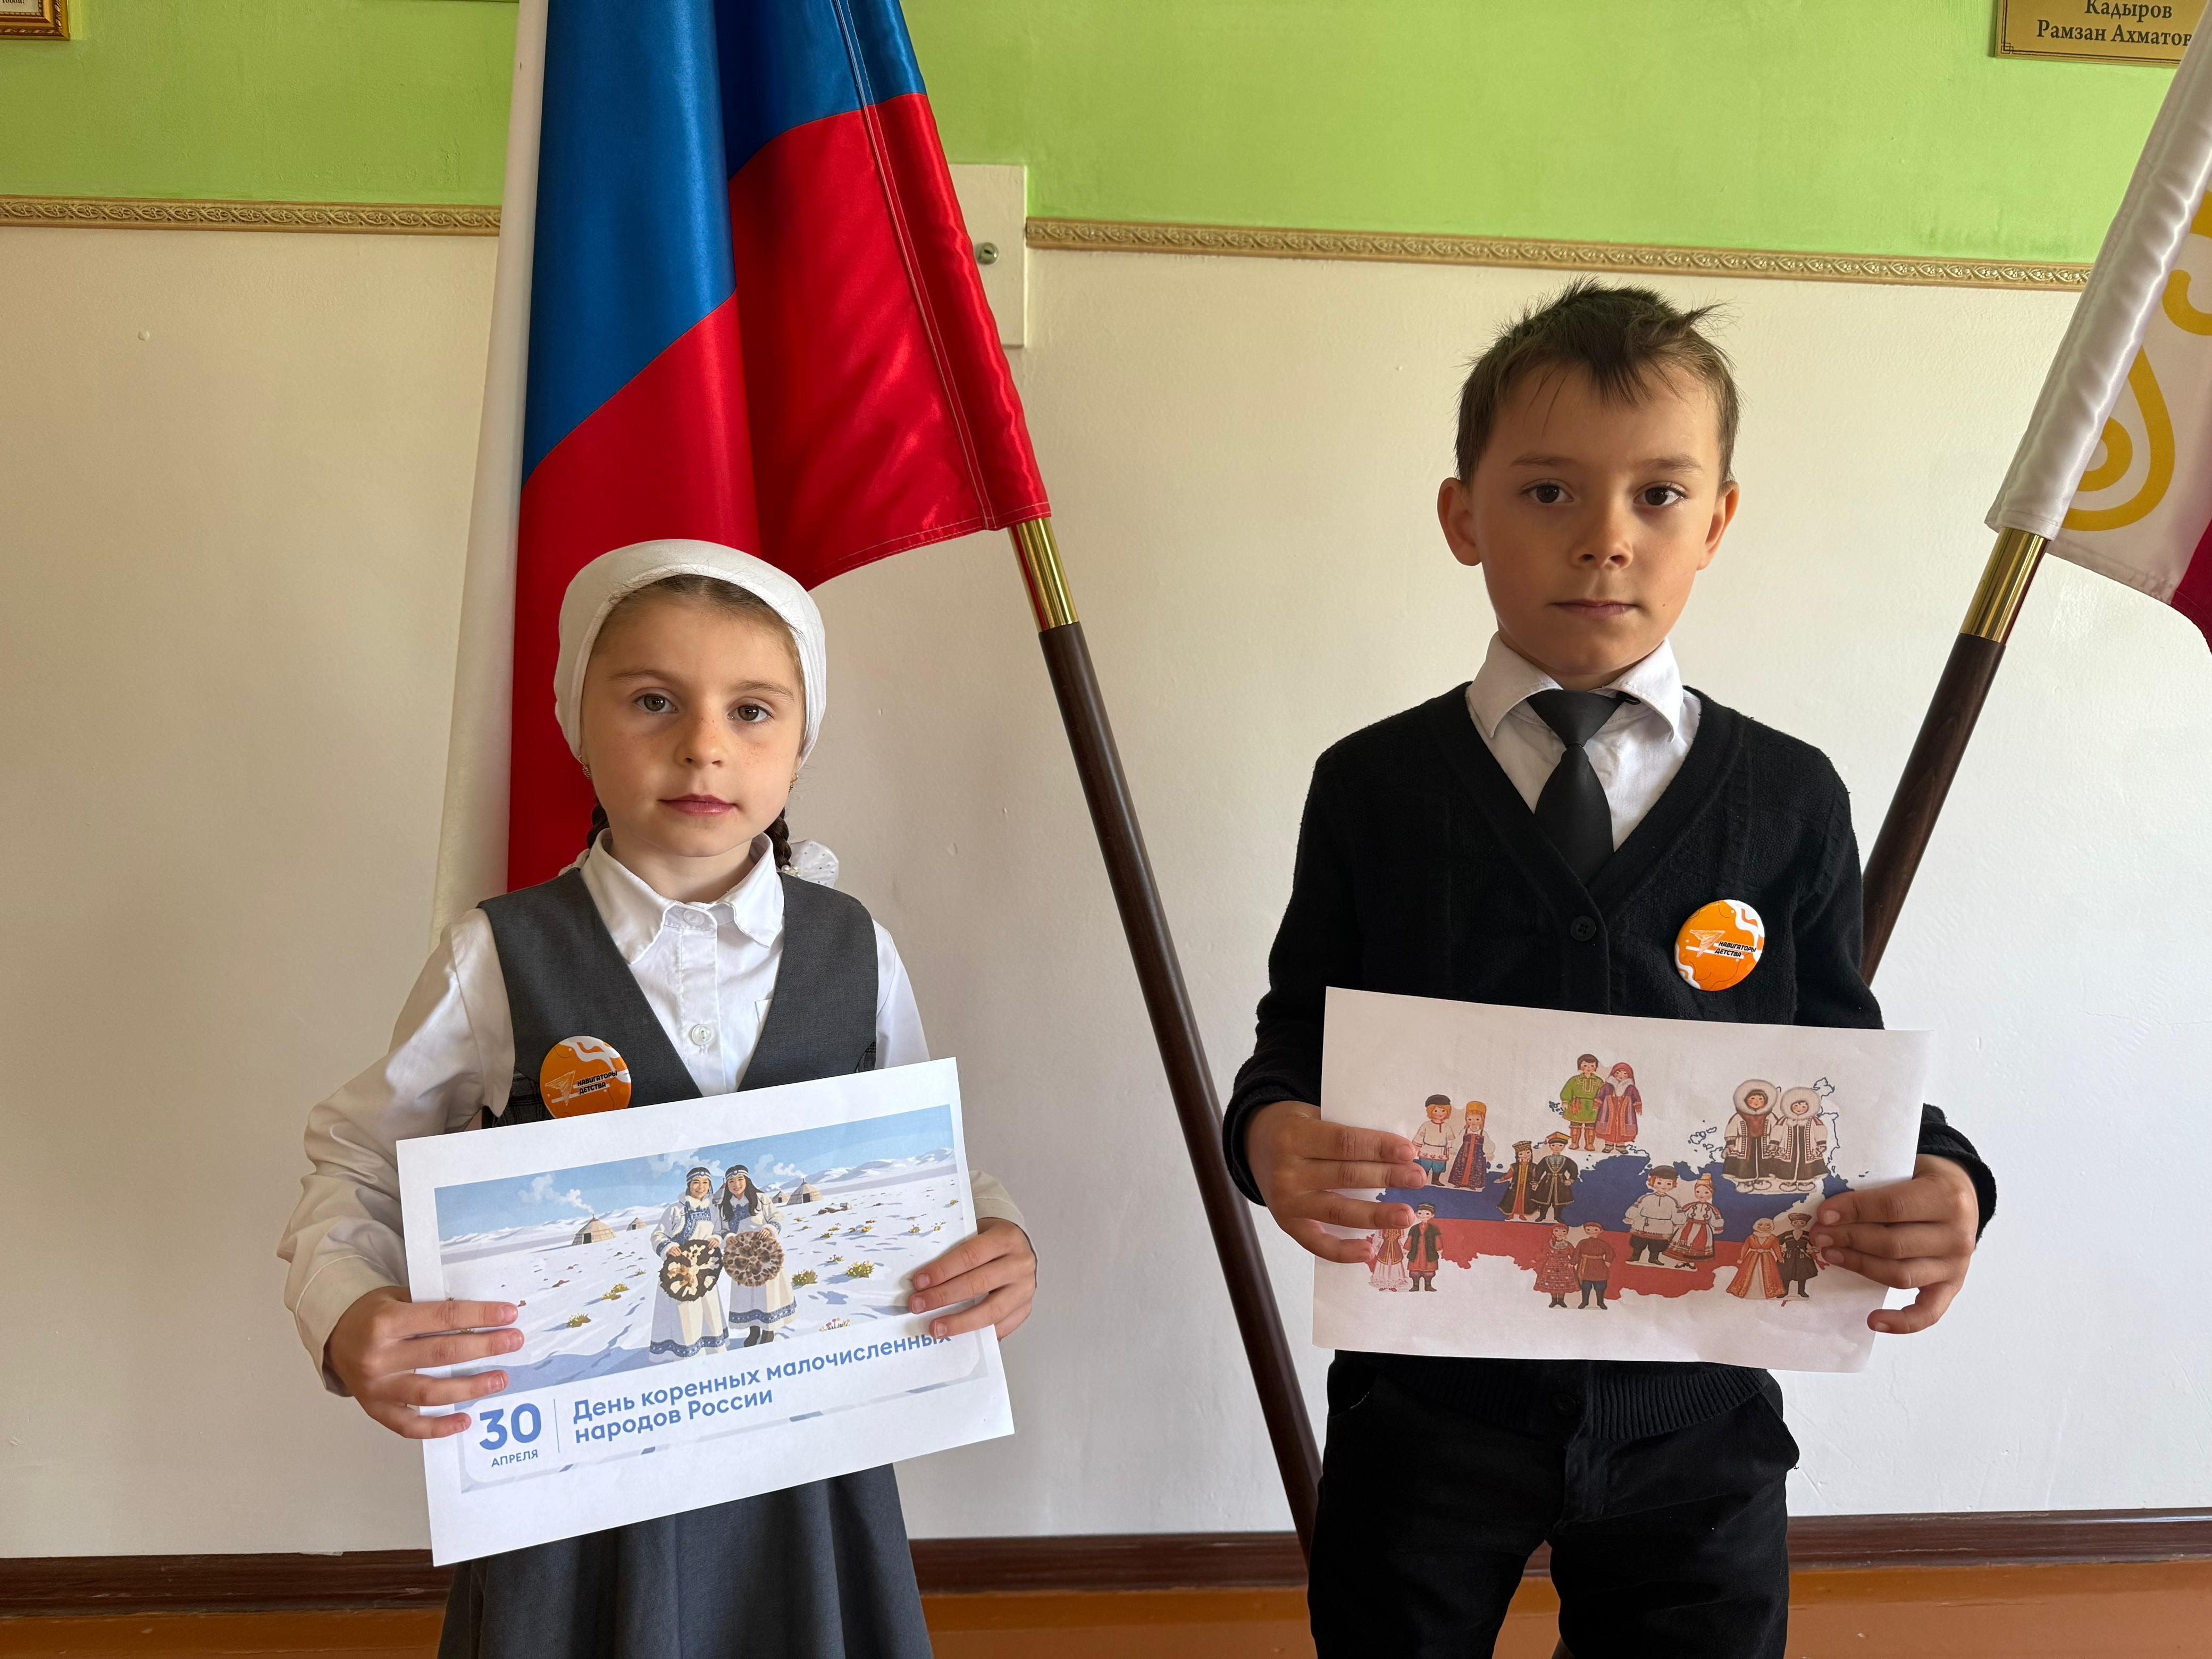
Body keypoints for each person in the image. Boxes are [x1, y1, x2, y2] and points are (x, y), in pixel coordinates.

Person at [1221, 284, 1997, 1656]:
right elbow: (1295, 1039)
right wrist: (1268, 1134)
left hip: (1698, 1413)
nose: (1604, 537)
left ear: (1719, 521)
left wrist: (1949, 1176)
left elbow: (1832, 1058)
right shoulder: (1372, 787)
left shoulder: (1788, 798)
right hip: (1425, 1400)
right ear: (1462, 516)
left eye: (1658, 494)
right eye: (1546, 491)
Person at [277, 541, 1041, 1659]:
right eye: (652, 701)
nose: (703, 746)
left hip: (806, 1479)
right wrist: (347, 1311)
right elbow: (356, 1162)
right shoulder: (497, 957)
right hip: (577, 1502)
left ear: (801, 745)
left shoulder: (856, 950)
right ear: (577, 726)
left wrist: (996, 1235)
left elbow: (922, 1157)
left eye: (752, 711)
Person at [649, 1167, 729, 1360]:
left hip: (704, 1272)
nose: (701, 1187)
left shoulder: (713, 1210)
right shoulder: (675, 1209)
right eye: (696, 1183)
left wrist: (716, 1239)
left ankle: (711, 1353)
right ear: (689, 1185)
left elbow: (719, 1231)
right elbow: (658, 1235)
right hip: (679, 1274)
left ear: (710, 1186)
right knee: (684, 1314)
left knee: (708, 1312)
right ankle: (687, 1356)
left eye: (705, 1183)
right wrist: (669, 1247)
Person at [716, 1164, 794, 1347]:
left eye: (740, 1180)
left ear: (747, 1180)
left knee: (766, 1294)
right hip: (742, 1259)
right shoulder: (725, 1207)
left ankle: (768, 1330)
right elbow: (722, 1230)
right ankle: (754, 1331)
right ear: (727, 1185)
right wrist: (728, 1238)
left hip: (764, 1255)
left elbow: (777, 1217)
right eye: (731, 1181)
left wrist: (769, 1229)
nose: (736, 1185)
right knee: (747, 1297)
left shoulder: (760, 1199)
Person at [1723, 1079, 1780, 1184]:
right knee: (1745, 1164)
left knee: (1764, 1162)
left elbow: (1777, 1129)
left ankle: (1762, 1180)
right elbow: (1732, 1129)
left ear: (1766, 1101)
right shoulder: (1739, 1116)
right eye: (1753, 1098)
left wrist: (1775, 1142)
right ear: (1746, 1100)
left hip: (1764, 1143)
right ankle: (1746, 1181)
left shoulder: (1770, 1116)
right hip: (1745, 1144)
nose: (1756, 1101)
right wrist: (1731, 1143)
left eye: (1760, 1099)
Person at [1622, 1164, 1681, 1264]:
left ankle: (1654, 1258)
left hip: (1662, 1227)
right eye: (1659, 1183)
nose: (1664, 1186)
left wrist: (1680, 1222)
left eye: (1669, 1183)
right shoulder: (1646, 1198)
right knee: (1639, 1242)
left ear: (1674, 1184)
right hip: (1644, 1224)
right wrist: (1630, 1217)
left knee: (1658, 1244)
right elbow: (1637, 1208)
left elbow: (1677, 1213)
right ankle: (1635, 1256)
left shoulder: (1672, 1201)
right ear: (1652, 1182)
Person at [1772, 1088, 1831, 1185]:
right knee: (1787, 1164)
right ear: (1789, 1106)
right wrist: (1774, 1143)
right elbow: (1777, 1131)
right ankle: (1788, 1181)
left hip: (1807, 1149)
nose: (1799, 1109)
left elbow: (1820, 1131)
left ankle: (1805, 1181)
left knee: (1806, 1165)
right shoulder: (1785, 1120)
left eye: (1804, 1106)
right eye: (1796, 1106)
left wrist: (1821, 1144)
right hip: (1789, 1149)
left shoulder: (1813, 1121)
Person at [1663, 1173, 1724, 1268]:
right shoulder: (1691, 1206)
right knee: (1683, 1243)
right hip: (1687, 1227)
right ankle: (1682, 1260)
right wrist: (1678, 1222)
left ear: (1712, 1193)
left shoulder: (1712, 1209)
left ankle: (1692, 1261)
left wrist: (1718, 1227)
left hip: (1703, 1229)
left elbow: (1716, 1219)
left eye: (1706, 1192)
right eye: (1698, 1192)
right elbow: (1682, 1215)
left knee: (1697, 1245)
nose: (1702, 1195)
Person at [1726, 1217, 1787, 1301]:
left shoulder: (1773, 1238)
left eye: (1767, 1225)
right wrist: (1741, 1258)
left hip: (1767, 1258)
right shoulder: (1751, 1237)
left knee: (1768, 1274)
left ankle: (1766, 1293)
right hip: (1752, 1258)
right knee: (1750, 1274)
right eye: (1761, 1225)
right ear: (1757, 1226)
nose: (1764, 1227)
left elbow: (1777, 1248)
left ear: (1771, 1226)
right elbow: (1745, 1248)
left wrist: (1780, 1258)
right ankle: (1749, 1292)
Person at [1527, 1131, 1579, 1222]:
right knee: (1544, 1200)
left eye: (1560, 1146)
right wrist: (1536, 1182)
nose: (1557, 1148)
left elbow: (1574, 1170)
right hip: (1547, 1182)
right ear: (1550, 1146)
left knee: (1559, 1201)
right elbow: (1539, 1171)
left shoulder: (1567, 1160)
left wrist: (1571, 1180)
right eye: (1554, 1145)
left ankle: (1558, 1216)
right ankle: (1542, 1216)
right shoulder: (1546, 1159)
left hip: (1561, 1183)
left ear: (1564, 1147)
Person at [1558, 1053, 1606, 1151]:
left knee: (1591, 1127)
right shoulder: (1574, 1080)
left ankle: (1589, 1144)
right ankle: (1575, 1143)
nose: (1589, 1068)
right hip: (1577, 1105)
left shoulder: (1599, 1081)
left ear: (1596, 1067)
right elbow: (1568, 1090)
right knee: (1575, 1126)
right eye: (1585, 1065)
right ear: (1580, 1066)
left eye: (1592, 1066)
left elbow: (1603, 1093)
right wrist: (1565, 1101)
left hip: (1592, 1107)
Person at [1595, 1061, 1642, 1149]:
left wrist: (1638, 1107)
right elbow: (1601, 1095)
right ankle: (1608, 1145)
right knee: (1609, 1128)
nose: (1621, 1076)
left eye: (1625, 1074)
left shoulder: (1631, 1088)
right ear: (1613, 1074)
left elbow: (1636, 1098)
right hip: (1608, 1111)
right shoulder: (1607, 1086)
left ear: (1629, 1075)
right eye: (1618, 1073)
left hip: (1625, 1113)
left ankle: (1621, 1145)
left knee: (1623, 1129)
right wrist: (1597, 1105)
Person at [1412, 1094, 1455, 1185]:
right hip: (1427, 1149)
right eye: (1436, 1111)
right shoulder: (1426, 1125)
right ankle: (1424, 1179)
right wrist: (1416, 1146)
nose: (1440, 1114)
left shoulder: (1447, 1127)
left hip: (1440, 1151)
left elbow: (1450, 1138)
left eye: (1443, 1111)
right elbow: (1420, 1136)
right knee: (1425, 1165)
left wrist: (1451, 1148)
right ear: (1430, 1111)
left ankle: (1435, 1180)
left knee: (1438, 1166)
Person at [1445, 1101, 1489, 1189]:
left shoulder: (1483, 1133)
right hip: (1464, 1153)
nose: (1473, 1122)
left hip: (1477, 1155)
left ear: (1482, 1120)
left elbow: (1488, 1143)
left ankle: (1472, 1184)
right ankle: (1459, 1183)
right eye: (1470, 1119)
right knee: (1461, 1166)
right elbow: (1458, 1140)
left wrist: (1489, 1153)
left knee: (1475, 1168)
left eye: (1477, 1119)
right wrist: (1454, 1149)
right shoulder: (1465, 1131)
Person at [1571, 1221, 1615, 1310]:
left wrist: (1608, 1260)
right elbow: (1577, 1253)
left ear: (1601, 1231)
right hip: (1585, 1267)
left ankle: (1600, 1302)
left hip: (1599, 1267)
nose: (1592, 1232)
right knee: (1585, 1287)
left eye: (1595, 1230)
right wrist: (1573, 1263)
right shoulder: (1583, 1242)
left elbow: (1610, 1252)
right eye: (1588, 1230)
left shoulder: (1603, 1243)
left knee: (1600, 1287)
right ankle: (1585, 1302)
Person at [1777, 1212, 1820, 1299]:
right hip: (1788, 1257)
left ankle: (1801, 1291)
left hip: (1802, 1257)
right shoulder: (1786, 1234)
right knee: (1786, 1274)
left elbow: (1817, 1245)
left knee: (1802, 1274)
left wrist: (1811, 1250)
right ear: (1792, 1223)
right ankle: (1785, 1292)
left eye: (1802, 1223)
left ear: (1805, 1224)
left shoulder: (1807, 1235)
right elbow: (1775, 1242)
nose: (1798, 1225)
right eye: (1796, 1222)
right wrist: (1782, 1249)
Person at [1535, 1225, 1580, 1308]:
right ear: (1552, 1232)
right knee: (1552, 1283)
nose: (1560, 1233)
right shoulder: (1549, 1243)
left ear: (1566, 1233)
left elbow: (1574, 1255)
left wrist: (1572, 1263)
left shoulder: (1568, 1244)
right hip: (1551, 1265)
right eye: (1557, 1231)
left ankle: (1561, 1301)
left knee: (1563, 1283)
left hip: (1565, 1266)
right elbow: (1544, 1253)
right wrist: (1537, 1258)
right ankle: (1554, 1300)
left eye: (1563, 1231)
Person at [1494, 1139, 1539, 1220]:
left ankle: (1522, 1214)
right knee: (1513, 1200)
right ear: (1518, 1155)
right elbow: (1509, 1175)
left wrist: (1536, 1183)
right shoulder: (1515, 1166)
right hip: (1515, 1187)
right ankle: (1511, 1214)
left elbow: (1535, 1177)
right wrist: (1501, 1180)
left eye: (1528, 1153)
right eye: (1521, 1154)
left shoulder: (1533, 1166)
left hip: (1527, 1187)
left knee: (1525, 1201)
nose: (1525, 1155)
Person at [1405, 1202, 1445, 1292]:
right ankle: (1415, 1286)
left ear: (1432, 1215)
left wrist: (1439, 1249)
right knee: (1415, 1270)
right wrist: (1407, 1248)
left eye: (1427, 1214)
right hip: (1417, 1252)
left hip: (1429, 1252)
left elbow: (1437, 1239)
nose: (1423, 1216)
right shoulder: (1414, 1228)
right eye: (1420, 1213)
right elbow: (1410, 1239)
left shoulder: (1434, 1228)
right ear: (1416, 1214)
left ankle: (1428, 1285)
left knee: (1429, 1270)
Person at [1370, 1226, 1412, 1293]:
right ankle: (1383, 1284)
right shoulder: (1383, 1228)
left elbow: (1402, 1240)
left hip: (1396, 1249)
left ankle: (1393, 1285)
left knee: (1395, 1266)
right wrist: (1375, 1247)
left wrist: (1405, 1249)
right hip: (1385, 1249)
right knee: (1384, 1265)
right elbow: (1378, 1238)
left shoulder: (1400, 1229)